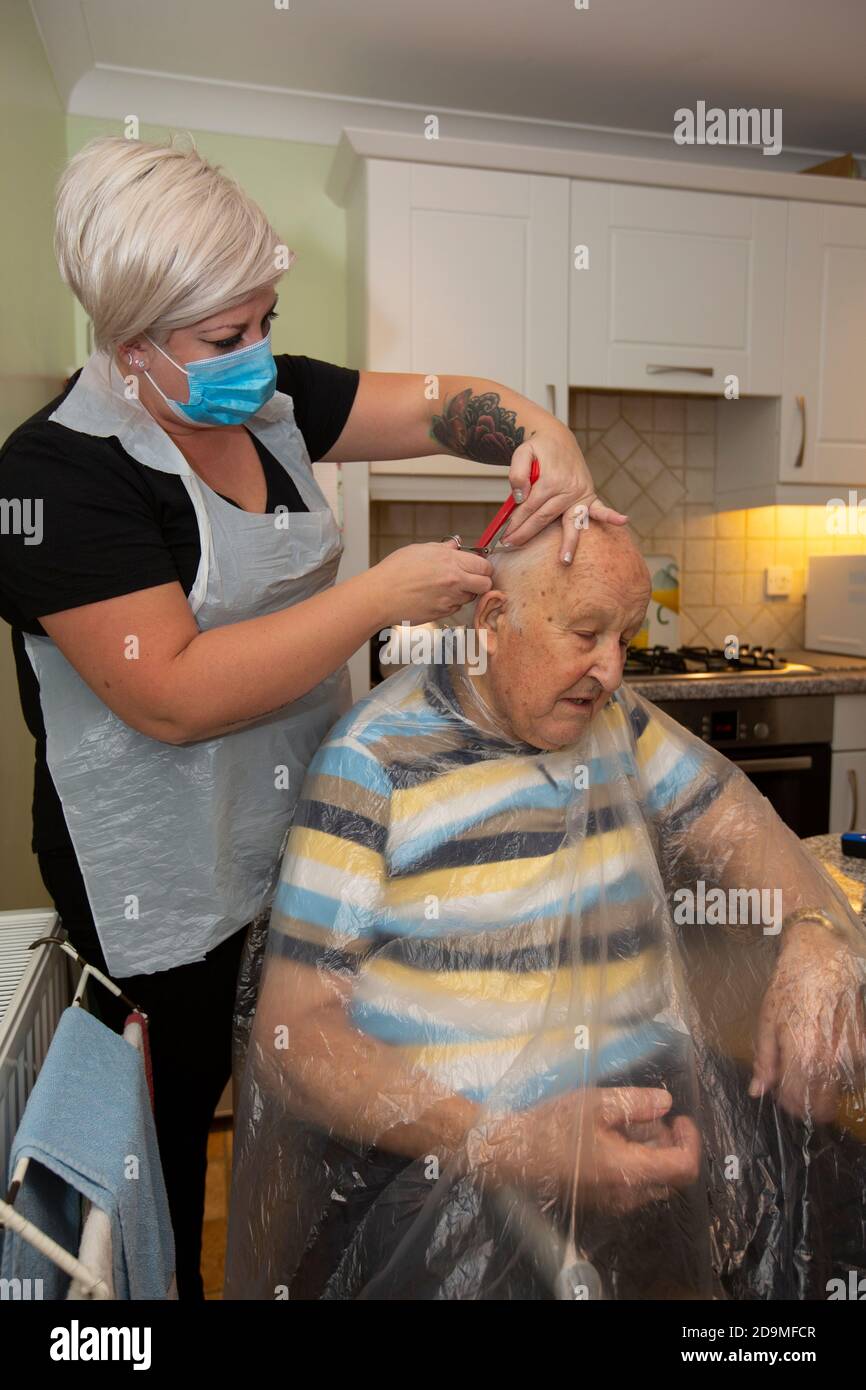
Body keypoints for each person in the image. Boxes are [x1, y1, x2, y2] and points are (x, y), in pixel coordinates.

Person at [0, 134, 620, 1300]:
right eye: (223, 339)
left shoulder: (272, 403)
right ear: (131, 345)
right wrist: (380, 596)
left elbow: (444, 409)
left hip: (293, 836)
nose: (259, 357)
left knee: (318, 1091)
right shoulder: (51, 481)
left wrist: (540, 432)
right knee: (166, 1148)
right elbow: (171, 692)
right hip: (159, 881)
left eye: (264, 321)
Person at [226, 520, 866, 1300]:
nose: (612, 668)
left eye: (626, 637)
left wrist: (811, 938)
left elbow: (735, 819)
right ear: (494, 623)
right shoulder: (373, 763)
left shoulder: (614, 723)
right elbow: (296, 1034)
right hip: (454, 1164)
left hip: (650, 1113)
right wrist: (509, 1142)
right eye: (587, 632)